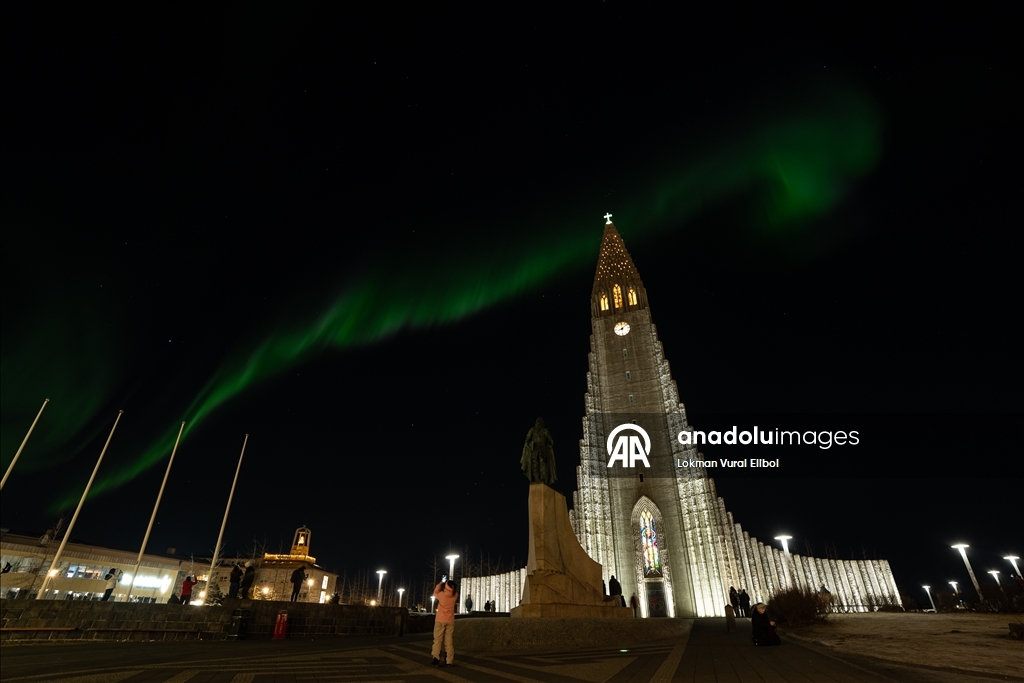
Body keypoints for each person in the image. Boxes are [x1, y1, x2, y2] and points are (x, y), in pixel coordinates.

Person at [431, 579, 458, 667]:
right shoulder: (455, 595)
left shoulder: (442, 595)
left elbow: (435, 593)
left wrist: (440, 583)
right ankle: (449, 661)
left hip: (440, 620)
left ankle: (436, 658)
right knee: (449, 641)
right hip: (450, 620)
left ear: (446, 586)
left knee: (437, 640)